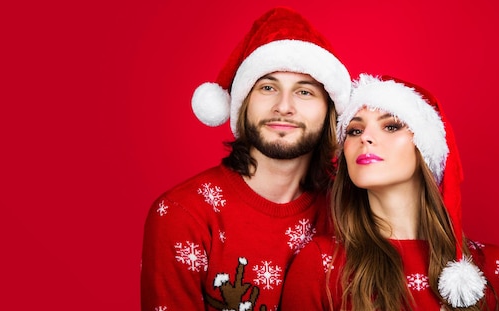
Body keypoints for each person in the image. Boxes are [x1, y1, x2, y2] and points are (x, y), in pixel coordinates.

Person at [140, 7, 351, 311]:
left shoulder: (348, 212)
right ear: (243, 104)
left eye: (304, 92)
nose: (284, 106)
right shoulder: (182, 215)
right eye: (268, 87)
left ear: (329, 111)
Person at [280, 73, 499, 310]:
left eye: (391, 126)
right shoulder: (321, 265)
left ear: (424, 148)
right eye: (354, 130)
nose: (366, 138)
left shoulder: (491, 267)